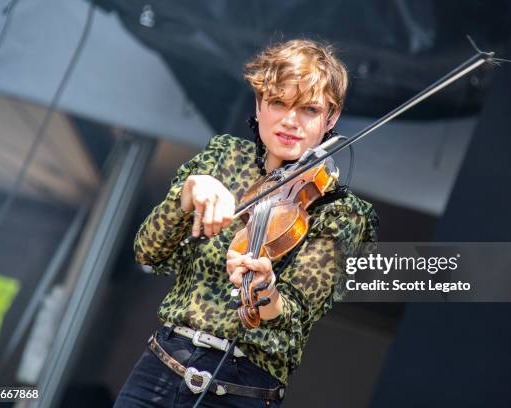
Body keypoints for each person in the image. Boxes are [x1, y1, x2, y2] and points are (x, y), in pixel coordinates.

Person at [114, 39, 378, 408]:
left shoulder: (340, 210)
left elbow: (293, 316)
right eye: (278, 102)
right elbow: (147, 251)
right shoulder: (223, 157)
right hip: (160, 367)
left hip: (242, 391)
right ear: (258, 104)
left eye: (309, 109)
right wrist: (189, 191)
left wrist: (266, 290)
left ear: (330, 118)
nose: (290, 120)